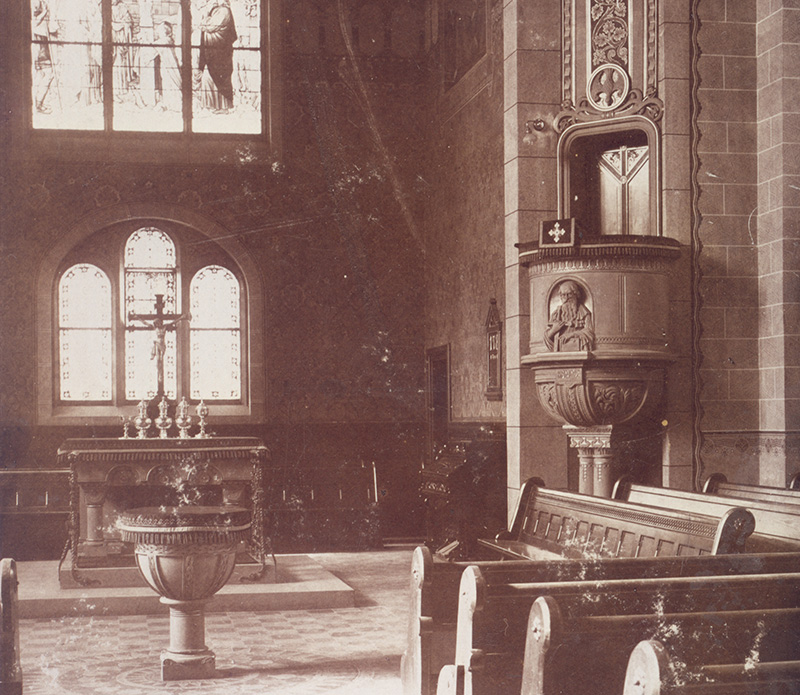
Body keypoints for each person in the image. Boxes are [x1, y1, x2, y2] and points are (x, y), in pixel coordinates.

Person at [198, 0, 237, 112]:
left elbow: (209, 26)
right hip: (212, 51)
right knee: (207, 76)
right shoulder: (215, 11)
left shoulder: (224, 11)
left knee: (217, 76)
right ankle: (211, 105)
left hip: (220, 52)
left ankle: (223, 107)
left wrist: (204, 19)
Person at [544, 280, 595, 351]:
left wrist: (572, 334)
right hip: (560, 350)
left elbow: (589, 333)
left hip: (577, 348)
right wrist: (553, 330)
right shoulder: (556, 314)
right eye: (563, 295)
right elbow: (546, 338)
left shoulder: (584, 312)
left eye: (569, 294)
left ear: (576, 294)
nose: (566, 298)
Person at [32, 0, 56, 114]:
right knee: (48, 74)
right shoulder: (37, 4)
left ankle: (40, 102)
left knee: (45, 76)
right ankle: (39, 103)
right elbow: (34, 22)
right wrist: (45, 11)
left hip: (43, 45)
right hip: (40, 49)